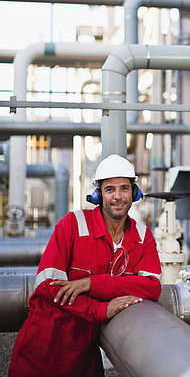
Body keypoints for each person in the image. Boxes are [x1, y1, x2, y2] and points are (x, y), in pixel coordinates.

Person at [9, 154, 162, 377]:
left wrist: (91, 283)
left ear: (135, 193)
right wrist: (101, 309)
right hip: (46, 347)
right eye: (110, 190)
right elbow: (47, 285)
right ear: (99, 194)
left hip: (86, 351)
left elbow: (151, 287)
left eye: (124, 188)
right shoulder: (72, 224)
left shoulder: (142, 236)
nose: (118, 197)